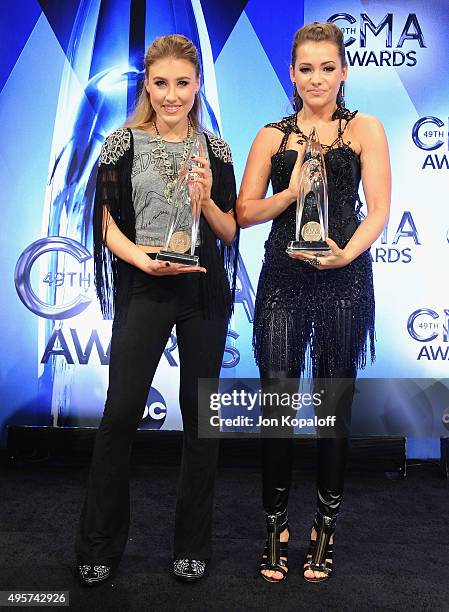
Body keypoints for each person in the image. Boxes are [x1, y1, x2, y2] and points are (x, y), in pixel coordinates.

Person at [75, 34, 238, 586]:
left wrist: (209, 199)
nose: (172, 95)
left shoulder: (216, 150)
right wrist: (143, 262)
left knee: (202, 423)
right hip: (145, 285)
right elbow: (104, 225)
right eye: (161, 83)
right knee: (119, 413)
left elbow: (231, 230)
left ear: (197, 87)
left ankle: (192, 547)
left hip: (202, 291)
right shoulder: (120, 144)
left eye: (183, 84)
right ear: (147, 83)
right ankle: (98, 544)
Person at [237, 22, 390, 582]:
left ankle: (324, 525)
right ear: (292, 73)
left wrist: (345, 255)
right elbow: (243, 213)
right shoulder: (271, 137)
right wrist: (291, 189)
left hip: (343, 277)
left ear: (343, 71)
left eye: (328, 67)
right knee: (277, 407)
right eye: (306, 68)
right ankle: (275, 525)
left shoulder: (366, 129)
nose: (317, 78)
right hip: (283, 278)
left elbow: (378, 209)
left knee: (333, 409)